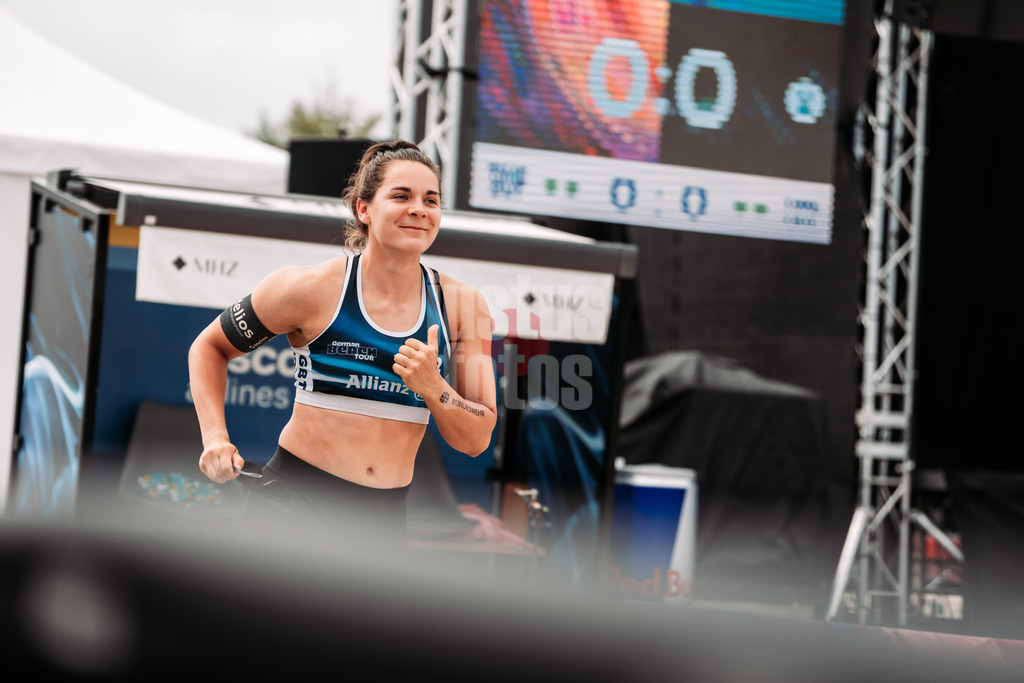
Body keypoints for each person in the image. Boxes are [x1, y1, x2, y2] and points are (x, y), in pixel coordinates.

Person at [188, 140, 497, 556]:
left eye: (431, 200)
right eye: (401, 196)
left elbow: (476, 439)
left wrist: (433, 386)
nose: (419, 209)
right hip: (295, 505)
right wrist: (214, 439)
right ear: (363, 209)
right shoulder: (309, 288)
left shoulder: (463, 305)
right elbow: (209, 347)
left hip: (383, 520)